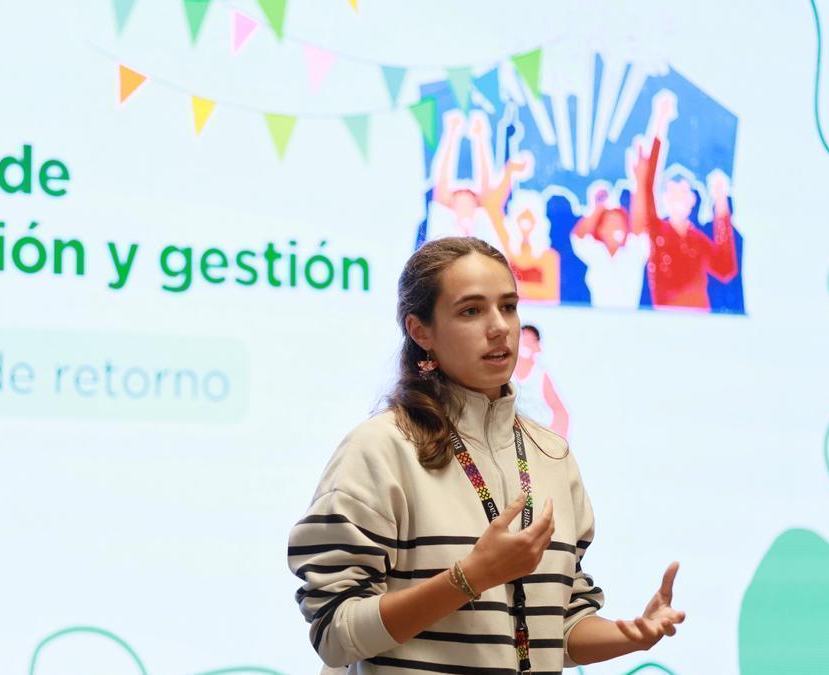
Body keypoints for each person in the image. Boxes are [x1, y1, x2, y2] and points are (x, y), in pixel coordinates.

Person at [288, 237, 685, 673]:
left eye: (509, 307)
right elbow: (334, 632)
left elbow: (561, 625)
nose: (499, 327)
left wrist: (633, 634)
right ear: (421, 331)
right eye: (471, 311)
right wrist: (469, 577)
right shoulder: (380, 449)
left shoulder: (551, 456)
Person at [630, 91, 738, 310]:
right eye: (672, 192)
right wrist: (660, 120)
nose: (677, 197)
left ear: (692, 200)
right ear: (664, 199)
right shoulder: (657, 232)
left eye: (683, 192)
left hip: (699, 320)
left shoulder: (698, 241)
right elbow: (648, 181)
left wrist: (720, 203)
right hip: (666, 318)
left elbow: (726, 269)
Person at [426, 110, 532, 253]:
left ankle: (471, 134)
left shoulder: (453, 217)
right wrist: (458, 134)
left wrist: (458, 134)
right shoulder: (450, 219)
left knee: (485, 200)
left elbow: (442, 182)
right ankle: (472, 134)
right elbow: (442, 182)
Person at [570, 182, 651, 309]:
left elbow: (639, 226)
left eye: (620, 223)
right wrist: (599, 207)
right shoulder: (597, 254)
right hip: (599, 319)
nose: (617, 227)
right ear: (601, 230)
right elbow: (577, 237)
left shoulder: (634, 254)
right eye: (611, 223)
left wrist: (639, 181)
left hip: (629, 321)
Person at [513, 324, 570, 438]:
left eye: (531, 341)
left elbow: (560, 411)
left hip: (538, 434)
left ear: (538, 346)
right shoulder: (506, 370)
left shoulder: (540, 374)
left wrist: (557, 443)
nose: (526, 344)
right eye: (523, 339)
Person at [504, 190, 561, 302]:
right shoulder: (506, 253)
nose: (526, 220)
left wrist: (519, 289)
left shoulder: (549, 256)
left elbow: (551, 294)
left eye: (530, 216)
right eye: (521, 215)